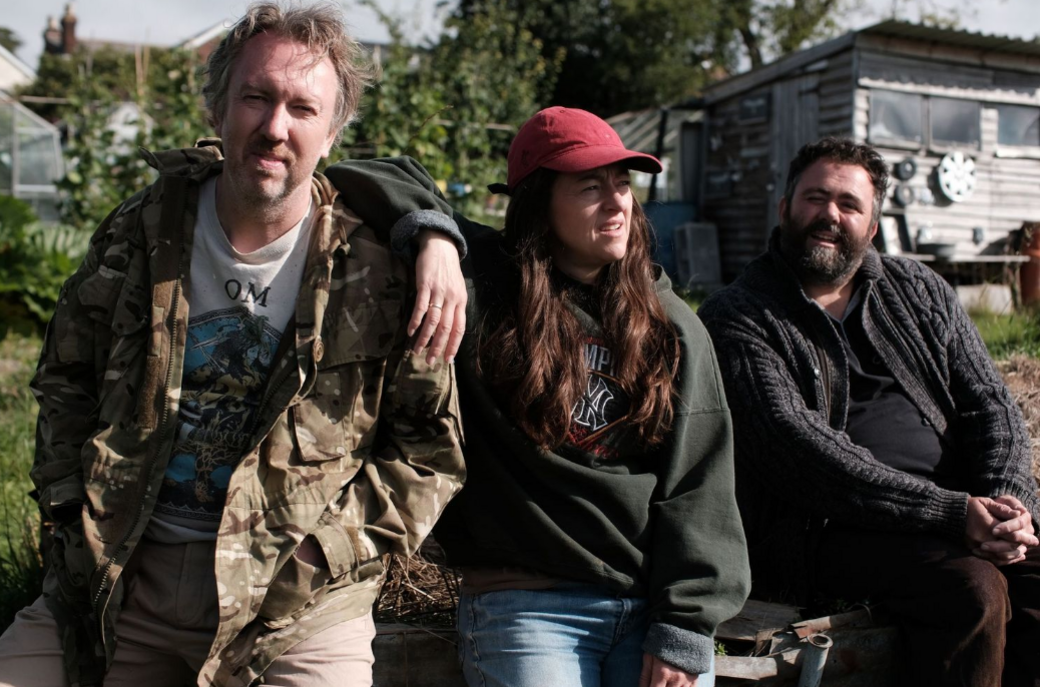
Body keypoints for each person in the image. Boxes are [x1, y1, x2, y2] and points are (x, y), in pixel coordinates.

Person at [0, 4, 468, 686]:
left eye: (303, 109)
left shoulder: (381, 269)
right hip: (123, 580)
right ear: (219, 106)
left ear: (333, 133)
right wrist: (73, 518)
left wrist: (323, 552)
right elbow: (66, 378)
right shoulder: (142, 231)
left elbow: (430, 453)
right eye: (256, 97)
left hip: (296, 606)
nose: (275, 127)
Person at [325, 106, 750, 687]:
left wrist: (686, 627)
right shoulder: (485, 289)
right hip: (526, 606)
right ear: (536, 204)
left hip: (647, 609)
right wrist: (435, 237)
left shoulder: (669, 323)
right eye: (590, 186)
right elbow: (365, 173)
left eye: (623, 184)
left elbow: (700, 482)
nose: (617, 202)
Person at [697, 137, 1040, 687]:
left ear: (872, 226)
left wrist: (1009, 502)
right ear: (784, 209)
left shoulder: (919, 290)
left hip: (955, 509)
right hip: (824, 528)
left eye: (849, 205)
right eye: (815, 198)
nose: (830, 215)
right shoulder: (739, 316)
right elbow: (797, 449)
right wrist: (953, 514)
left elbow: (990, 404)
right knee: (972, 588)